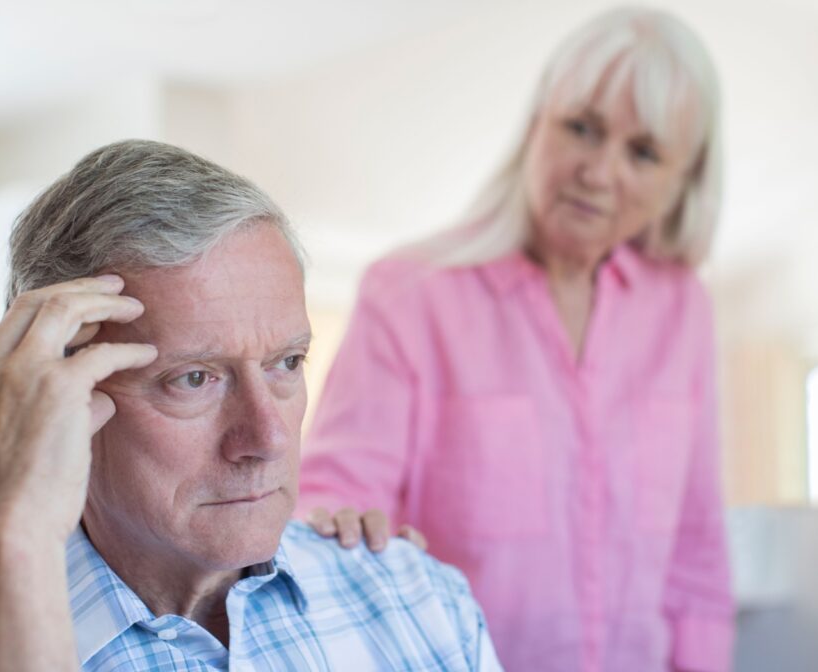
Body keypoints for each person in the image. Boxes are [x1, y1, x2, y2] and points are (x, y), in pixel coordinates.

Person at [0, 140, 501, 672]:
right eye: (194, 379)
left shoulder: (418, 599)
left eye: (286, 363)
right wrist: (9, 526)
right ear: (56, 398)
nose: (268, 438)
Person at [299, 7, 734, 672]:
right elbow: (336, 505)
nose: (598, 172)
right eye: (582, 128)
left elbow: (696, 552)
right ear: (538, 123)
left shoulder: (684, 310)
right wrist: (334, 522)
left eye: (643, 153)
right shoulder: (407, 294)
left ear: (682, 182)